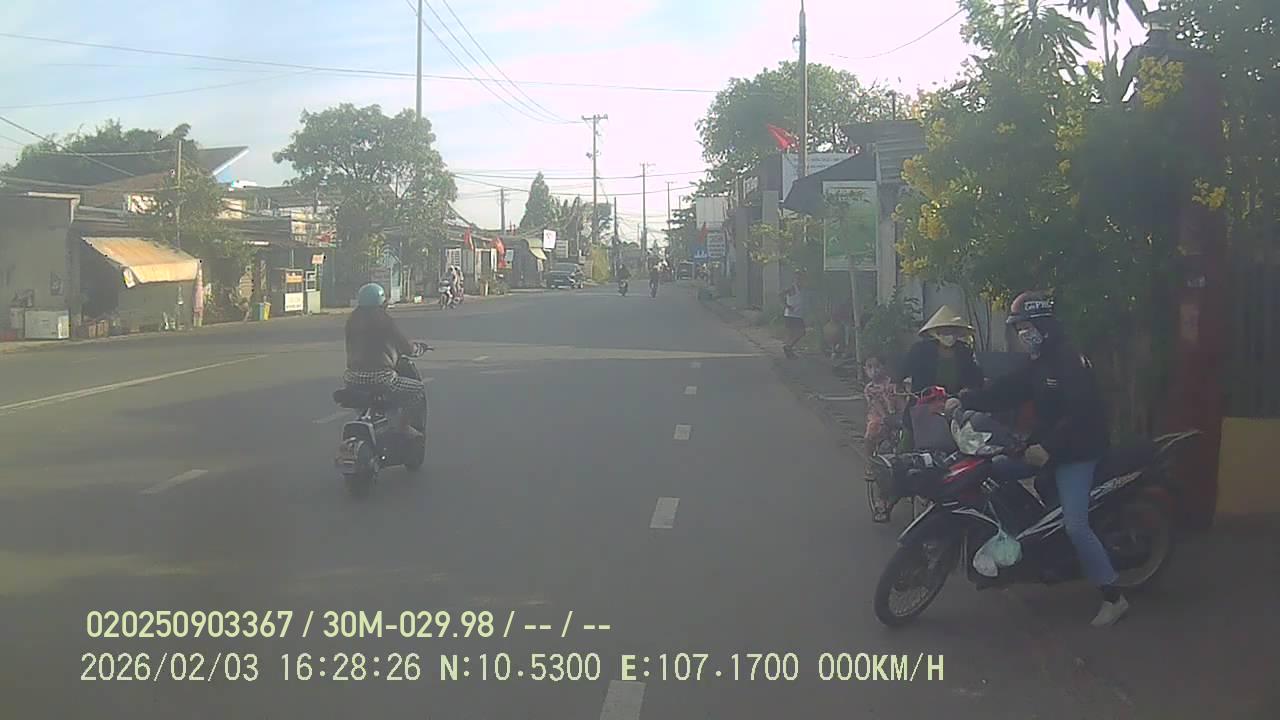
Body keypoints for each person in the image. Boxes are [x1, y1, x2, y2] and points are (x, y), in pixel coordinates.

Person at [959, 291, 1125, 627]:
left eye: (1026, 327)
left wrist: (1049, 448)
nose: (1022, 334)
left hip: (1077, 453)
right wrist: (965, 399)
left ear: (1043, 325)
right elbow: (1008, 390)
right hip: (1047, 447)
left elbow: (1082, 414)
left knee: (1076, 526)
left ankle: (1113, 597)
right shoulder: (1039, 362)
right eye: (1019, 328)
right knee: (990, 470)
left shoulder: (1069, 360)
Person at [344, 283, 426, 438]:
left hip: (352, 377)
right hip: (381, 377)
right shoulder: (383, 320)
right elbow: (405, 346)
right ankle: (403, 427)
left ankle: (366, 418)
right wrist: (417, 349)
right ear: (380, 302)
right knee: (418, 390)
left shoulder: (352, 320)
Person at [899, 305, 985, 396]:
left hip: (957, 399)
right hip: (926, 398)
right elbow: (903, 371)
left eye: (953, 331)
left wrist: (967, 391)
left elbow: (977, 379)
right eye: (945, 331)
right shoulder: (920, 350)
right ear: (936, 333)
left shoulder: (965, 351)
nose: (950, 335)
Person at [862, 355, 905, 523]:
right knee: (872, 433)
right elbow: (876, 406)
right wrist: (887, 417)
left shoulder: (893, 384)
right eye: (869, 366)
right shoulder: (869, 388)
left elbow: (902, 402)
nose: (874, 370)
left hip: (898, 419)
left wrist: (900, 416)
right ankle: (869, 464)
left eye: (877, 366)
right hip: (879, 420)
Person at [781, 270, 807, 358]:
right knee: (798, 332)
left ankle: (788, 348)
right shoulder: (792, 288)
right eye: (797, 278)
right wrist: (787, 306)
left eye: (801, 278)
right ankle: (788, 348)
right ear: (794, 279)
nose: (799, 280)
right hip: (791, 314)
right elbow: (780, 295)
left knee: (799, 332)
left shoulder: (802, 288)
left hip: (798, 314)